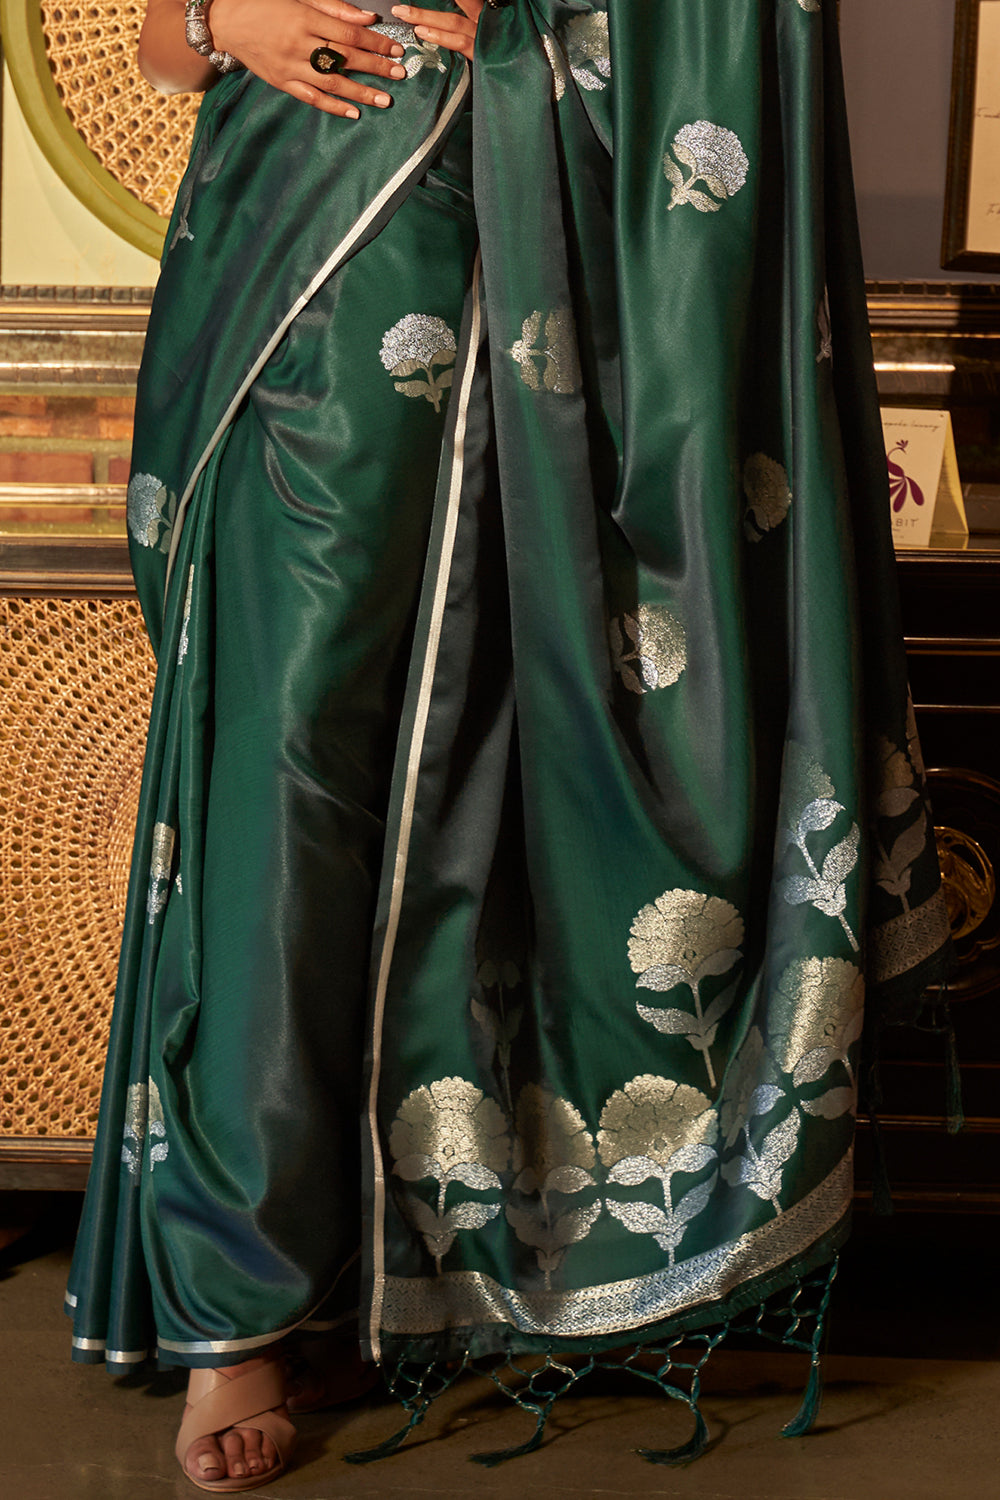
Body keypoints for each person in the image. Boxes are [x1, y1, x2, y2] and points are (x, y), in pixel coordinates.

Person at [67, 1, 951, 1492]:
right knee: (283, 769)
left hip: (555, 255)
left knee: (487, 775)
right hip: (307, 283)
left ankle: (404, 1260)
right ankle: (242, 1303)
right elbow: (161, 40)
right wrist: (233, 17)